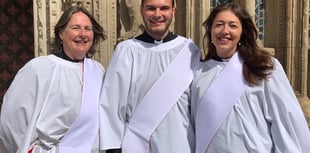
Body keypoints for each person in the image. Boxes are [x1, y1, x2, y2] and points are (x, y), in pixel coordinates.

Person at [191, 2, 310, 153]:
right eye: (219, 24)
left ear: (242, 32)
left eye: (233, 26)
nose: (225, 31)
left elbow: (285, 119)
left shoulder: (264, 67)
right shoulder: (199, 73)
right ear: (211, 32)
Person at [0, 6, 106, 153]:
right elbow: (12, 122)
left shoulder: (98, 71)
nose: (83, 34)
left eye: (88, 29)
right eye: (76, 28)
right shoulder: (39, 69)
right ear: (61, 33)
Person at [99, 0, 200, 152]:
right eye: (151, 8)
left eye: (164, 8)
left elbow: (198, 104)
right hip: (137, 145)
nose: (157, 14)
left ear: (173, 10)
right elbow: (111, 105)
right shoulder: (126, 51)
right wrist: (113, 147)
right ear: (141, 10)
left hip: (180, 144)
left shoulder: (189, 50)